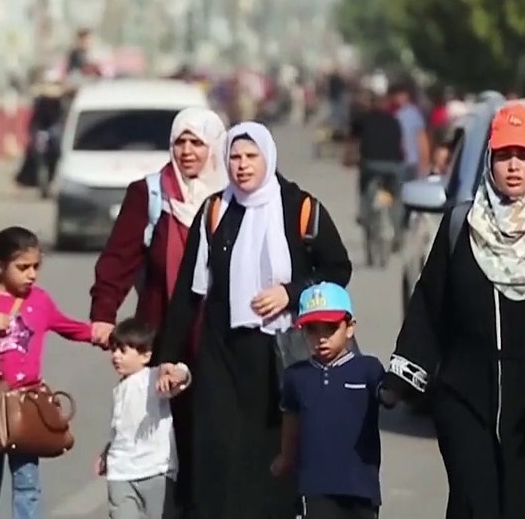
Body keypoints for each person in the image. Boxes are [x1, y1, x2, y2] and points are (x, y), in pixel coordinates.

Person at [381, 102, 525, 519]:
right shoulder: (461, 227)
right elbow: (429, 306)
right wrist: (402, 376)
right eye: (503, 156)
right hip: (467, 396)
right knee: (473, 504)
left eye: (523, 156)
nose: (513, 166)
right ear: (489, 160)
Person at [153, 121, 353, 519]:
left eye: (250, 156)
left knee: (274, 451)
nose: (242, 165)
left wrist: (291, 292)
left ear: (268, 157)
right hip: (221, 352)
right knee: (218, 451)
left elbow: (337, 268)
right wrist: (170, 356)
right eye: (234, 156)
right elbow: (188, 294)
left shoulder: (300, 207)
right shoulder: (215, 210)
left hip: (279, 355)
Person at [90, 106, 227, 511]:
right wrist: (104, 312)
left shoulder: (233, 196)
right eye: (179, 142)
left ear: (215, 146)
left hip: (219, 336)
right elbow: (119, 258)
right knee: (162, 435)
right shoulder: (150, 193)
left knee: (212, 432)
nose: (186, 151)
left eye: (196, 142)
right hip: (161, 336)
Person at [0, 226, 94, 519]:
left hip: (27, 404)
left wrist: (101, 334)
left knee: (27, 483)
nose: (32, 274)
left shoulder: (41, 300)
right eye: (23, 267)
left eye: (36, 267)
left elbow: (69, 327)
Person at [272, 283, 384, 519]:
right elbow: (291, 421)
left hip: (361, 486)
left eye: (330, 328)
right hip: (314, 487)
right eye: (312, 329)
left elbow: (390, 396)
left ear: (350, 327)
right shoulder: (296, 376)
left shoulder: (369, 370)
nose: (321, 338)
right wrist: (286, 456)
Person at [96, 317, 192, 519]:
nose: (116, 356)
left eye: (123, 350)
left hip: (155, 470)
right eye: (114, 350)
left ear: (146, 355)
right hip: (121, 472)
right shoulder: (118, 390)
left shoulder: (153, 378)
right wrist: (107, 453)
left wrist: (177, 374)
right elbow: (118, 430)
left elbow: (183, 376)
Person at [345, 86, 406, 239]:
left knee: (364, 189)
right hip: (392, 166)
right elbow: (400, 145)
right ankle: (398, 228)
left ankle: (363, 214)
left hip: (370, 165)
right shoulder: (394, 121)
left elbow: (352, 139)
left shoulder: (363, 119)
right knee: (396, 196)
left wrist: (349, 156)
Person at [390, 81, 431, 179]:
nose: (398, 98)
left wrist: (424, 161)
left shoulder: (413, 113)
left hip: (413, 162)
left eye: (401, 94)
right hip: (402, 161)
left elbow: (421, 138)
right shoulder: (397, 115)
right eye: (396, 95)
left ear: (408, 95)